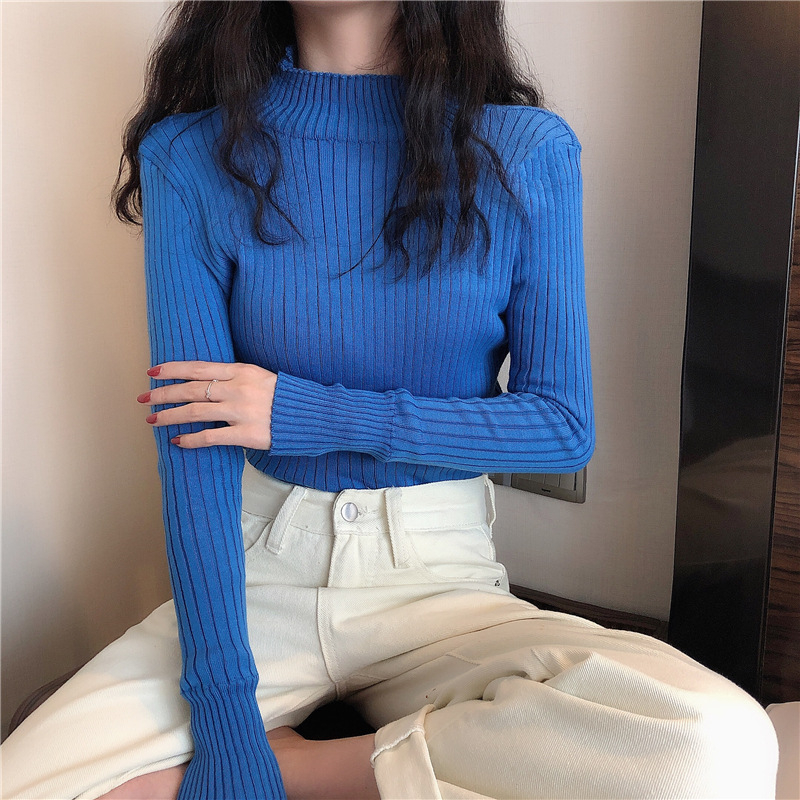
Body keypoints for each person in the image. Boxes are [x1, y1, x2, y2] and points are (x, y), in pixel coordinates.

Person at [1, 2, 780, 799]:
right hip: (259, 572)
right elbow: (193, 451)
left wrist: (307, 413)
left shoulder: (524, 151)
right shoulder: (190, 156)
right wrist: (227, 721)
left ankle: (308, 768)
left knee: (716, 745)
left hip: (440, 582)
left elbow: (560, 427)